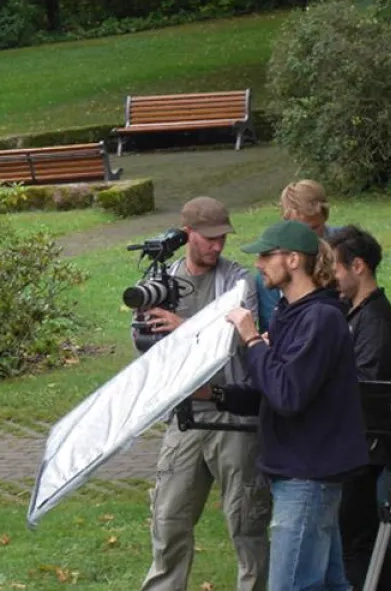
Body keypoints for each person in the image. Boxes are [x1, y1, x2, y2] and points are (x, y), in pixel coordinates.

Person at [202, 219, 369, 591]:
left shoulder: (321, 319)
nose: (258, 264)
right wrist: (216, 394)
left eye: (266, 255)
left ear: (293, 259)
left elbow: (288, 395)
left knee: (291, 585)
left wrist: (252, 340)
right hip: (296, 470)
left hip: (308, 474)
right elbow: (267, 389)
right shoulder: (288, 314)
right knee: (328, 584)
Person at [139, 196, 271, 591]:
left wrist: (183, 326)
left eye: (222, 239)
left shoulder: (238, 280)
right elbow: (147, 347)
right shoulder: (161, 282)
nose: (217, 246)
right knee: (168, 518)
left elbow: (237, 338)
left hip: (233, 415)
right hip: (183, 416)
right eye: (209, 238)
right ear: (188, 234)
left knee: (246, 522)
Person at [326, 225, 391, 590]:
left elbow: (367, 384)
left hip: (369, 447)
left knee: (360, 539)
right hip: (357, 445)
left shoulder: (376, 319)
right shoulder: (355, 311)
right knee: (358, 536)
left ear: (357, 266)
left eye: (336, 268)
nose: (332, 277)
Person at [256, 180, 343, 332]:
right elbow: (271, 325)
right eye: (299, 229)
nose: (309, 237)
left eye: (314, 228)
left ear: (325, 217)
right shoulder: (272, 264)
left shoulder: (344, 246)